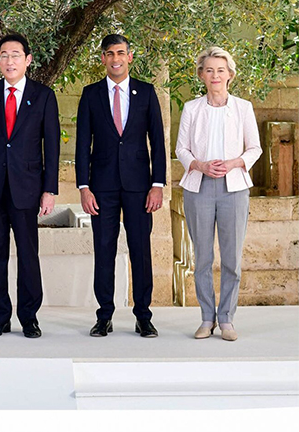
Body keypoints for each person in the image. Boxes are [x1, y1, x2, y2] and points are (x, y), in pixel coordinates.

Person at [0, 34, 59, 339]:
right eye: (4, 55)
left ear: (28, 60)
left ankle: (29, 317)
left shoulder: (43, 96)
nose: (10, 61)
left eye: (16, 55)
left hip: (27, 188)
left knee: (28, 255)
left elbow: (53, 147)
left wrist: (49, 190)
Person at [76, 33, 166, 338]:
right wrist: (83, 187)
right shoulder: (90, 95)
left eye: (121, 53)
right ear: (103, 59)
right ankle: (104, 316)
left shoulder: (146, 92)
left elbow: (158, 141)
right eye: (110, 53)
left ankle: (143, 316)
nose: (115, 58)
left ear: (129, 57)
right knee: (104, 250)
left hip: (140, 187)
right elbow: (81, 145)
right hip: (101, 187)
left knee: (141, 250)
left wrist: (158, 184)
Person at [175, 47, 261, 341]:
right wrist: (198, 164)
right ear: (201, 75)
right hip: (198, 188)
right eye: (209, 70)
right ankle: (206, 317)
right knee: (202, 257)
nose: (215, 75)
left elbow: (255, 148)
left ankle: (226, 319)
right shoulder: (191, 108)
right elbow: (181, 148)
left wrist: (236, 162)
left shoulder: (243, 108)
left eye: (220, 70)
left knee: (231, 258)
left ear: (230, 75)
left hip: (233, 189)